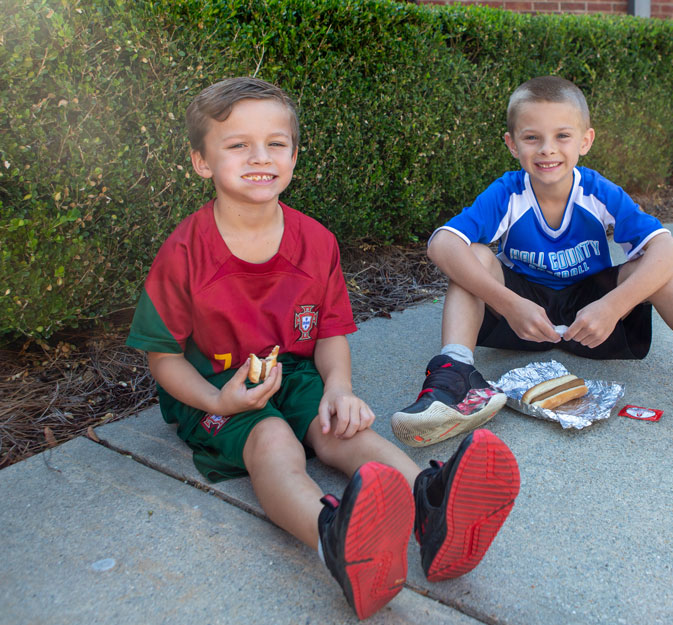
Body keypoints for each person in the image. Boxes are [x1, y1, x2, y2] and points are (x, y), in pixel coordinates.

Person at [125, 77, 520, 620]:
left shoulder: (316, 241)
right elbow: (162, 356)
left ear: (294, 154)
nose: (259, 157)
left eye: (276, 143)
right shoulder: (185, 252)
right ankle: (334, 537)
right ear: (201, 161)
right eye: (237, 145)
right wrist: (219, 403)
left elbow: (331, 330)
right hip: (215, 387)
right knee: (272, 443)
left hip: (294, 372)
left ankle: (430, 506)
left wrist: (339, 388)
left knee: (343, 429)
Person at [392, 75, 673, 447]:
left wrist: (614, 305)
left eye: (562, 136)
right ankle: (456, 376)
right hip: (523, 316)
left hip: (594, 320)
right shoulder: (507, 193)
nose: (547, 150)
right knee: (473, 254)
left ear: (585, 141)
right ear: (512, 144)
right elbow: (441, 244)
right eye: (532, 138)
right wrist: (508, 303)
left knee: (650, 267)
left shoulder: (597, 191)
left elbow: (669, 251)